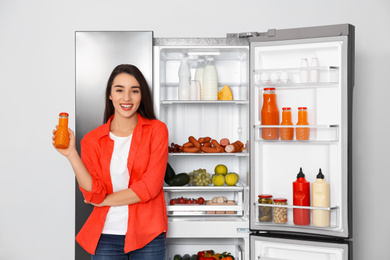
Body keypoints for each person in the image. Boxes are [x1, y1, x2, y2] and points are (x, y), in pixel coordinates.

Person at [53, 64, 168, 259]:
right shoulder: (92, 140)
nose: (127, 98)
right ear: (110, 95)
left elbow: (150, 186)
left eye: (134, 90)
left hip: (148, 234)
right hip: (106, 236)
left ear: (142, 96)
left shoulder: (157, 131)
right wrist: (72, 154)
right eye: (119, 90)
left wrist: (104, 201)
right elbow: (93, 190)